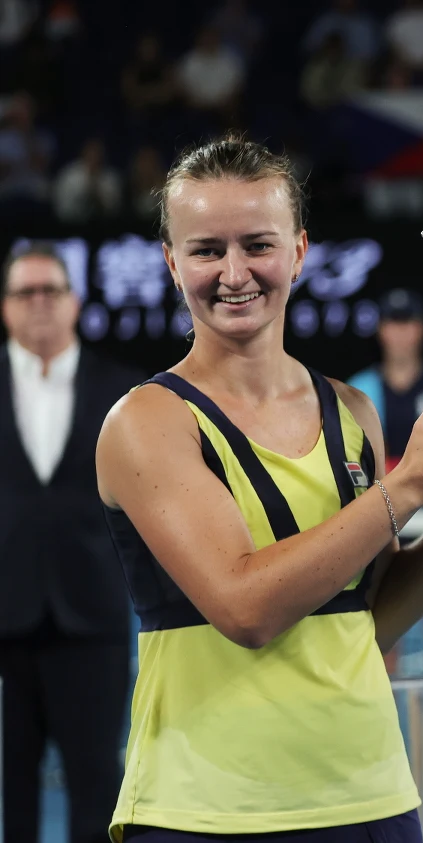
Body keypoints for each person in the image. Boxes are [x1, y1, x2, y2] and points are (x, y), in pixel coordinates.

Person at [95, 135, 423, 841]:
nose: (234, 272)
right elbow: (245, 607)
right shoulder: (146, 422)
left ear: (299, 252)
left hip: (371, 796)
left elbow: (367, 618)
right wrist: (415, 481)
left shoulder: (351, 411)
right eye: (207, 249)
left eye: (257, 245)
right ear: (171, 262)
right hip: (208, 810)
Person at [0, 242, 140, 843]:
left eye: (50, 290)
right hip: (4, 624)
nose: (39, 304)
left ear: (74, 302)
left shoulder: (125, 393)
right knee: (10, 798)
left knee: (97, 790)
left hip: (94, 622)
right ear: (5, 306)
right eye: (24, 292)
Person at [349, 288, 423, 768]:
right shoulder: (359, 392)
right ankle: (381, 728)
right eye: (392, 323)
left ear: (420, 330)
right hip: (384, 521)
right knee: (381, 631)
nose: (400, 333)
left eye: (409, 323)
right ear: (382, 331)